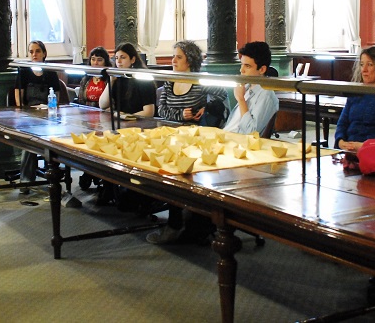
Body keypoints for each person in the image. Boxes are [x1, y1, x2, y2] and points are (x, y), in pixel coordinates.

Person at [147, 41, 278, 245]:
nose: (241, 70)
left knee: (183, 163)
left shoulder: (266, 95)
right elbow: (230, 126)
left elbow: (250, 133)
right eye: (241, 65)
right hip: (225, 142)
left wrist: (240, 101)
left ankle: (179, 223)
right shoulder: (249, 90)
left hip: (238, 150)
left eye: (247, 66)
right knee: (176, 157)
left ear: (262, 69)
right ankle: (184, 214)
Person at [14, 41, 60, 190]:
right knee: (30, 141)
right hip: (29, 115)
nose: (34, 54)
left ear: (44, 53)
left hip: (48, 114)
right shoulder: (24, 71)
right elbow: (18, 98)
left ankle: (52, 175)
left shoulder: (51, 72)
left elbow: (57, 98)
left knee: (53, 139)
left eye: (38, 51)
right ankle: (26, 181)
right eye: (31, 51)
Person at [157, 40, 229, 127]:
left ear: (190, 61)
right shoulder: (169, 81)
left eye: (179, 57)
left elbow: (223, 93)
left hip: (195, 131)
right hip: (169, 129)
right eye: (173, 56)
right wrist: (181, 115)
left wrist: (207, 108)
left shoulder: (199, 82)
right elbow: (161, 109)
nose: (173, 60)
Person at [99, 42, 155, 117]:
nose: (118, 62)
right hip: (121, 121)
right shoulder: (117, 78)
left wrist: (127, 116)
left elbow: (149, 112)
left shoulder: (143, 79)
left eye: (123, 57)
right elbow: (102, 105)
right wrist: (111, 81)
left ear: (133, 60)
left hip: (139, 122)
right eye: (116, 58)